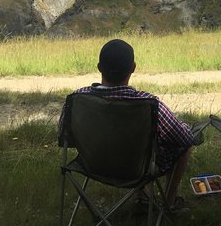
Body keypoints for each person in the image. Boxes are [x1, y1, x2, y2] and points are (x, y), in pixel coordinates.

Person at [59, 39, 194, 212]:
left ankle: (142, 197)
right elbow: (185, 138)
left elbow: (65, 138)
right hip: (136, 169)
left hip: (92, 165)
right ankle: (170, 202)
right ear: (133, 68)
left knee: (137, 143)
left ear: (99, 67)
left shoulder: (76, 99)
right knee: (180, 148)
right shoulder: (148, 103)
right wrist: (184, 126)